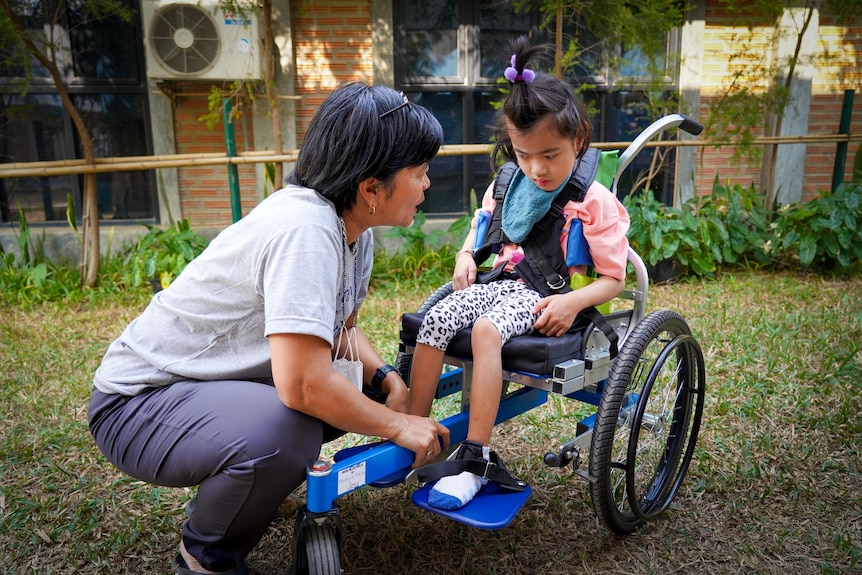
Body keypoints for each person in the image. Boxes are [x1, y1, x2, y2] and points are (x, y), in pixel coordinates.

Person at [88, 82, 450, 575]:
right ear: (370, 188)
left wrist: (386, 379)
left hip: (202, 387)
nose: (427, 185)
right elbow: (303, 384)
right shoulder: (306, 230)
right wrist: (398, 424)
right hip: (137, 404)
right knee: (289, 427)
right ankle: (205, 557)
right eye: (420, 173)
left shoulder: (353, 229)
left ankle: (250, 484)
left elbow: (341, 331)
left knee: (343, 390)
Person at [406, 37, 630, 511]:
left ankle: (475, 460)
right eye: (524, 154)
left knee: (486, 331)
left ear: (578, 140)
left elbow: (615, 279)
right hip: (500, 281)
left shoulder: (594, 201)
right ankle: (414, 431)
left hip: (548, 295)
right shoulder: (509, 182)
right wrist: (466, 255)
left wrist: (573, 302)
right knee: (435, 320)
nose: (536, 168)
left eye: (549, 155)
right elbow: (481, 229)